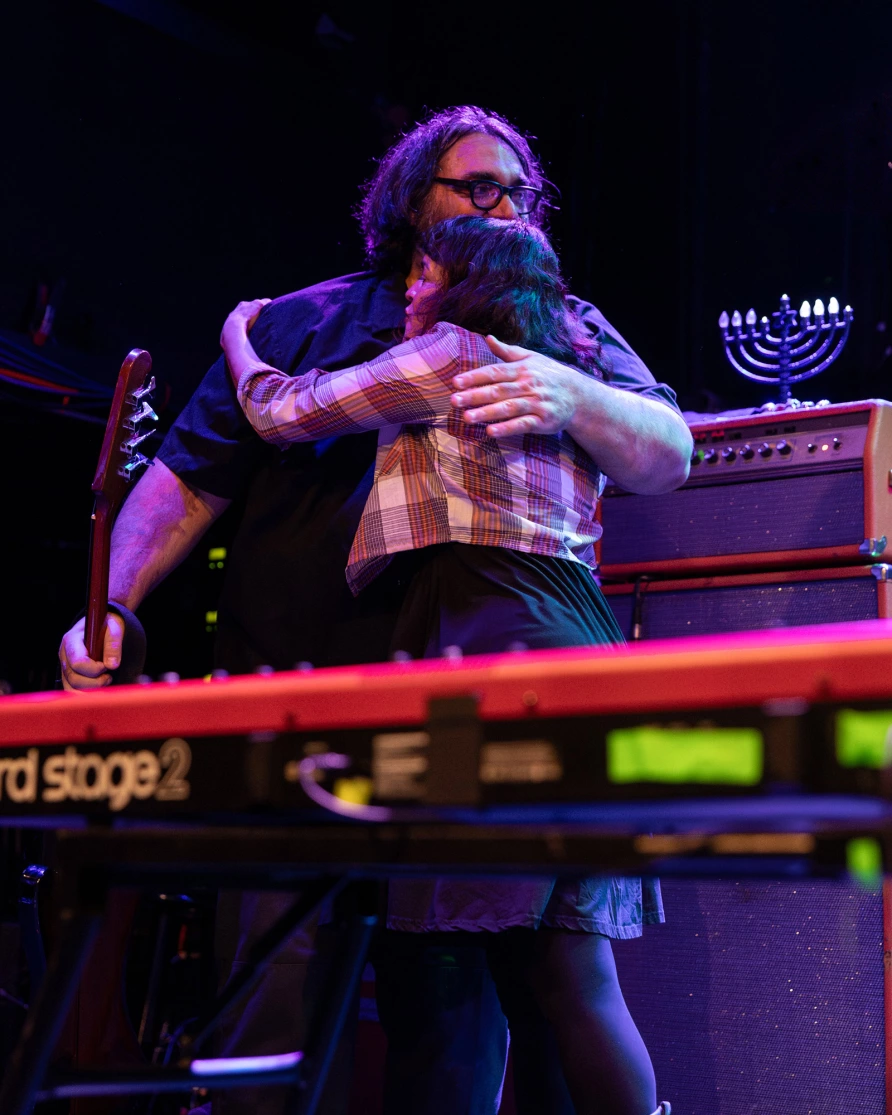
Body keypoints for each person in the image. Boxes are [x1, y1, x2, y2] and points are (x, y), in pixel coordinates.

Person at [58, 106, 691, 1115]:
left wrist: (572, 397)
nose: (497, 206)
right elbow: (188, 477)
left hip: (469, 676)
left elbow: (669, 447)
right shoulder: (316, 319)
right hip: (315, 700)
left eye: (515, 192)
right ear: (409, 202)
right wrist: (114, 606)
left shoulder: (545, 329)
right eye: (472, 187)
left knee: (470, 995)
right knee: (290, 1001)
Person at [219, 213, 669, 1115]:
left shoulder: (451, 354)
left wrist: (239, 331)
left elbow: (282, 410)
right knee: (570, 961)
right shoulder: (563, 368)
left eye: (425, 274)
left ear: (461, 282)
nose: (411, 291)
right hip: (577, 631)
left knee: (530, 955)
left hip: (490, 629)